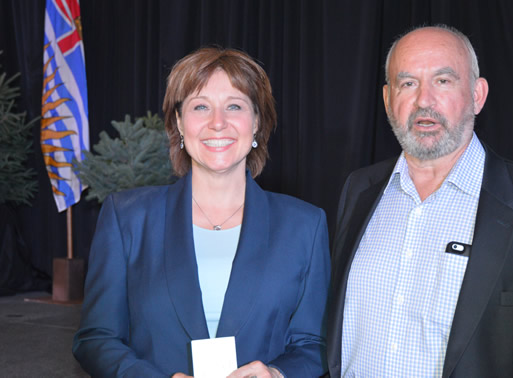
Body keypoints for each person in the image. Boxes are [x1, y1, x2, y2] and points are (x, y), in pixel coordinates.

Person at [327, 24, 513, 377]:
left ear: (478, 95)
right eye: (408, 83)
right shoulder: (358, 190)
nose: (424, 100)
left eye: (443, 81)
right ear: (388, 99)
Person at [73, 47, 330, 377]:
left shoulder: (305, 226)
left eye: (234, 106)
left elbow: (314, 344)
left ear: (257, 122)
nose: (217, 123)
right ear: (179, 122)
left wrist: (277, 374)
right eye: (200, 107)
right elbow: (96, 338)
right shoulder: (127, 218)